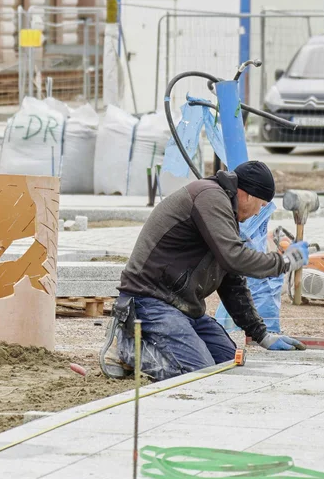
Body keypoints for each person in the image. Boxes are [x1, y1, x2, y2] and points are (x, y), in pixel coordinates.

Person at [102, 160, 310, 381]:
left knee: (230, 364)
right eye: (261, 205)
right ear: (248, 195)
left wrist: (261, 334)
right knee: (199, 374)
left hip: (181, 307)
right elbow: (235, 258)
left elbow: (232, 282)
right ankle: (126, 347)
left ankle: (148, 342)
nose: (258, 213)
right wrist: (284, 262)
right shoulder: (210, 197)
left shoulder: (225, 214)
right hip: (149, 300)